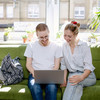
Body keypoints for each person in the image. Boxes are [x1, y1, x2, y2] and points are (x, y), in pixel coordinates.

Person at [24, 23, 62, 100]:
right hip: (35, 74)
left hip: (51, 75)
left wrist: (49, 76)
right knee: (35, 88)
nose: (44, 39)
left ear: (49, 33)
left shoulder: (57, 47)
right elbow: (28, 65)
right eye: (41, 37)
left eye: (46, 36)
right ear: (37, 35)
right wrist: (35, 74)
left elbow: (56, 66)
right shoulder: (31, 46)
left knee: (51, 88)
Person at [60, 21, 96, 100]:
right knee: (76, 88)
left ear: (76, 35)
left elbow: (88, 67)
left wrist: (81, 77)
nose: (66, 38)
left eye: (69, 36)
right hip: (73, 74)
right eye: (65, 35)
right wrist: (63, 80)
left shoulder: (84, 46)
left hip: (88, 76)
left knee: (72, 81)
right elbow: (63, 65)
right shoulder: (64, 46)